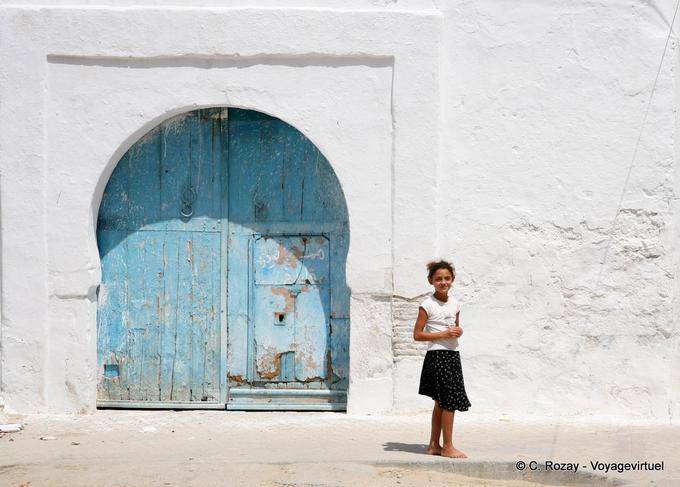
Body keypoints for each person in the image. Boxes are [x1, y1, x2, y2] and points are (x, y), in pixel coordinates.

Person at [413, 259, 471, 458]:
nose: (443, 282)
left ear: (452, 280)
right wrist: (443, 335)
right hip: (437, 356)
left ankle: (433, 446)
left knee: (440, 403)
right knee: (448, 402)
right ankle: (447, 447)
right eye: (438, 279)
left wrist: (457, 331)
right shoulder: (427, 304)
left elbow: (453, 328)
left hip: (452, 355)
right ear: (431, 281)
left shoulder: (455, 304)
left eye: (447, 278)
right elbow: (417, 335)